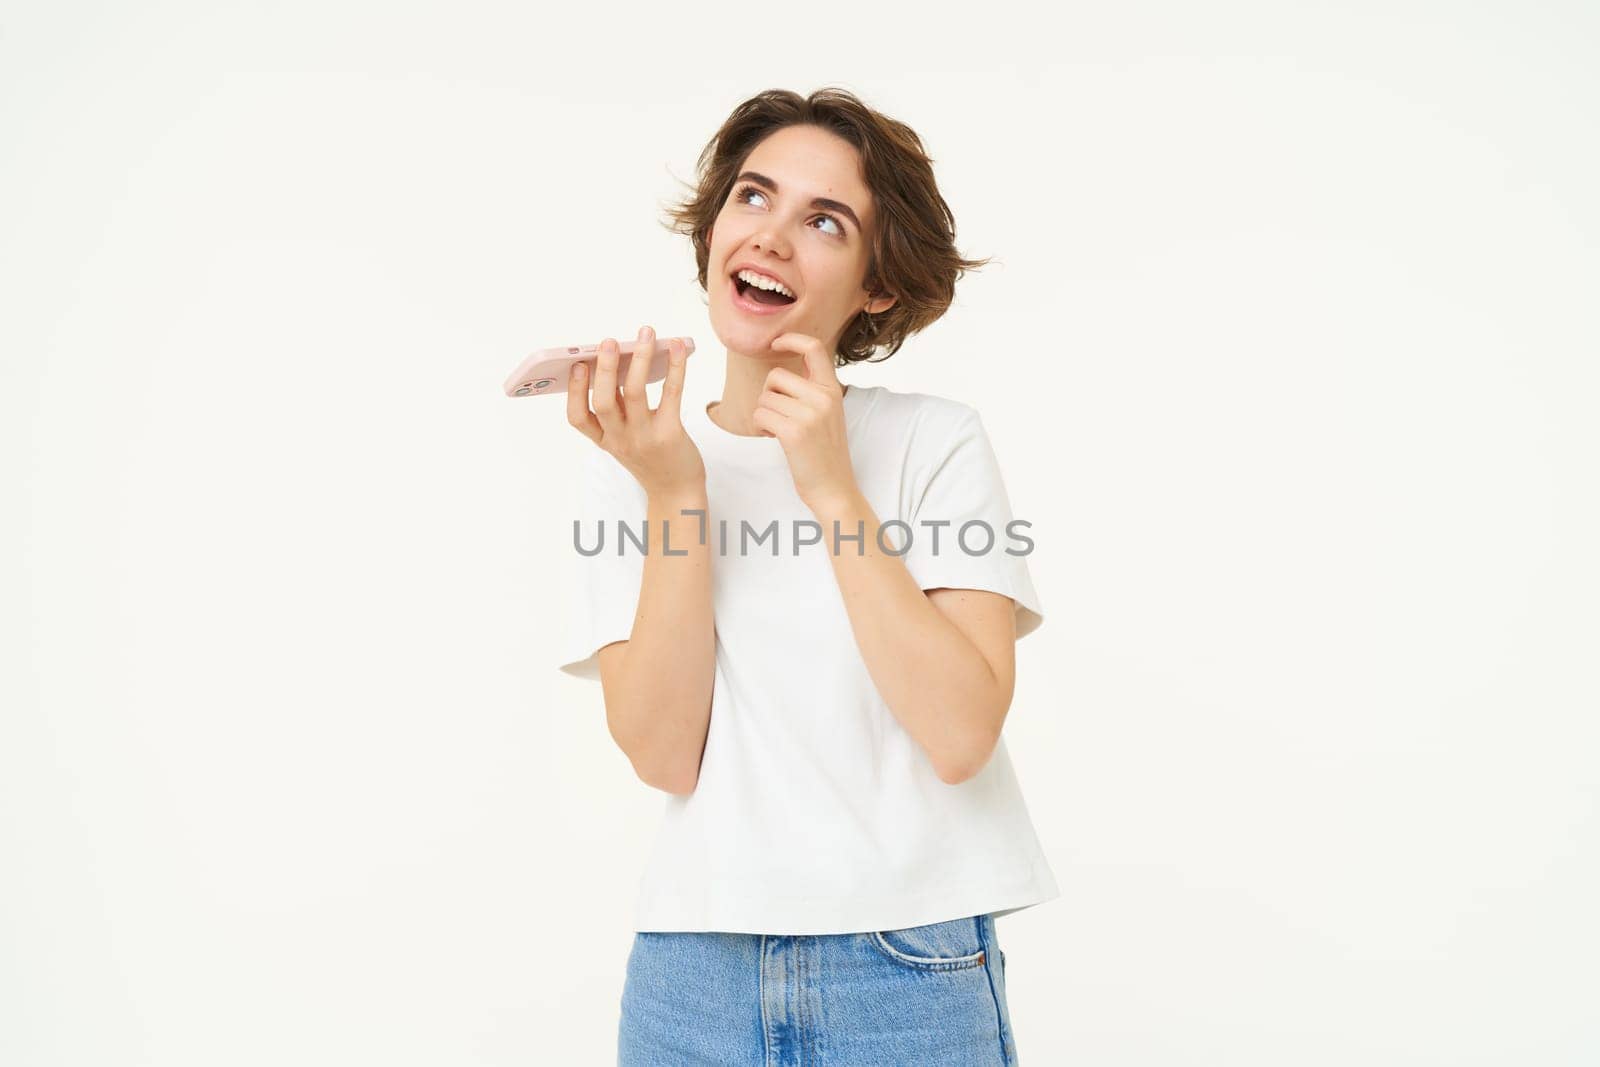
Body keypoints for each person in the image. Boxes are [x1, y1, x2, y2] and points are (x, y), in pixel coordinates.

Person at [559, 87, 1056, 1065]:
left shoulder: (932, 443)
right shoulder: (639, 456)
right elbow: (663, 752)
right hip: (689, 972)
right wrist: (674, 492)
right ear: (712, 232)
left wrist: (829, 482)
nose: (771, 236)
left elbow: (961, 732)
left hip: (906, 966)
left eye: (823, 221)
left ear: (875, 283)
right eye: (752, 198)